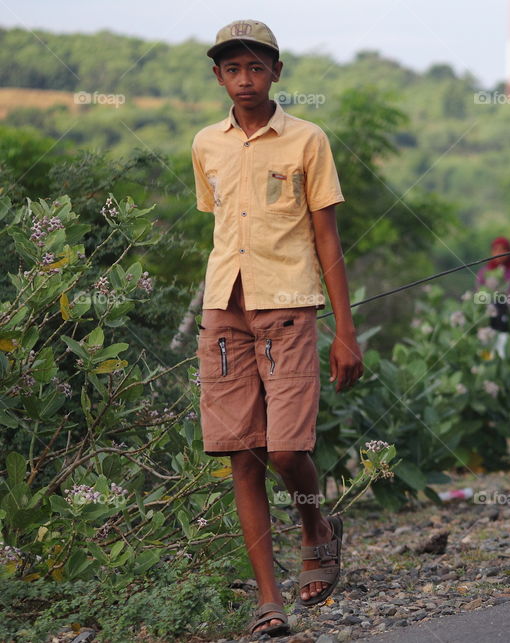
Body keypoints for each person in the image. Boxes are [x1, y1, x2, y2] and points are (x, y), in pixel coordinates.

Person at [191, 20, 363, 637]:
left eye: (256, 68)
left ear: (277, 73)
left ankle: (315, 523)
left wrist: (345, 330)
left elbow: (326, 237)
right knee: (243, 453)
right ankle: (270, 601)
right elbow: (218, 225)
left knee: (287, 449)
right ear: (218, 76)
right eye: (232, 69)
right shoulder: (207, 144)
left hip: (289, 308)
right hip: (224, 310)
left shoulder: (307, 140)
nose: (245, 79)